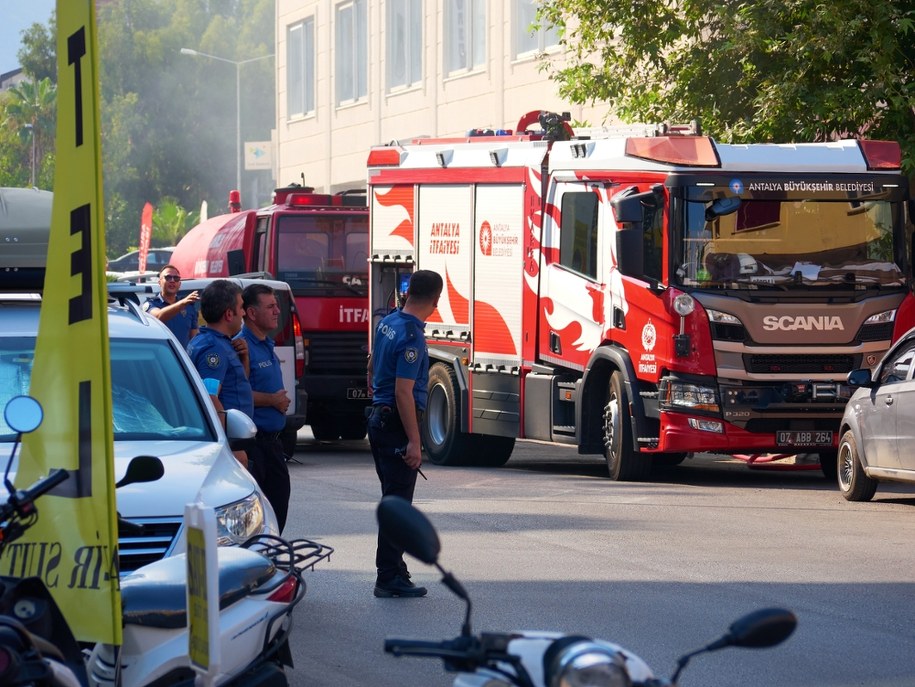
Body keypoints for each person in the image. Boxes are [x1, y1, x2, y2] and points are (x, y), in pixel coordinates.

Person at [366, 269, 443, 598]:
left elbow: (371, 367)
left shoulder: (388, 322)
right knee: (398, 504)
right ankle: (388, 576)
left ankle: (396, 568)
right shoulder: (412, 334)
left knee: (393, 498)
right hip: (395, 421)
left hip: (379, 418)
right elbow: (404, 392)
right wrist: (414, 440)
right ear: (436, 300)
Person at [238, 283, 292, 532]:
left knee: (278, 510)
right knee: (255, 521)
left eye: (276, 306)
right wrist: (272, 400)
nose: (277, 311)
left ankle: (272, 560)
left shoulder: (266, 343)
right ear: (250, 312)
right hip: (255, 446)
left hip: (273, 444)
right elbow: (235, 394)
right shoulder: (241, 346)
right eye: (270, 306)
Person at [187, 280, 252, 468]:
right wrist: (228, 447)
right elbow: (210, 396)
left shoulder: (213, 341)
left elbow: (237, 383)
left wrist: (244, 358)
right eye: (241, 307)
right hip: (230, 443)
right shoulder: (213, 349)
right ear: (229, 314)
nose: (244, 313)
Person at [143, 265, 200, 345]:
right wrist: (183, 303)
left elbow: (194, 339)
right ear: (159, 282)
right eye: (168, 277)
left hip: (182, 357)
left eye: (176, 278)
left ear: (179, 284)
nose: (172, 281)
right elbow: (158, 317)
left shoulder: (188, 306)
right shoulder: (151, 304)